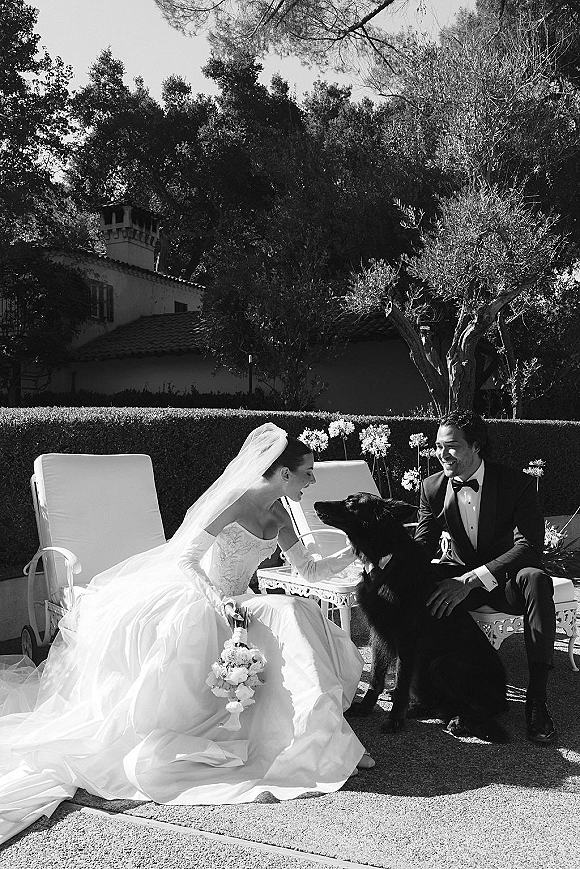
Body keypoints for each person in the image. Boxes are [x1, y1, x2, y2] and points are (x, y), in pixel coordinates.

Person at [0, 423, 373, 845]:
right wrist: (221, 603)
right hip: (206, 600)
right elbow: (187, 561)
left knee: (294, 612)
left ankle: (326, 738)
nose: (313, 480)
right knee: (286, 612)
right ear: (283, 474)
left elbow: (308, 570)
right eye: (307, 472)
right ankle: (318, 740)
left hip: (244, 604)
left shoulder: (282, 513)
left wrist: (356, 548)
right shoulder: (233, 503)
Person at [414, 409, 557, 745]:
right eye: (437, 446)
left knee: (537, 579)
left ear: (475, 445)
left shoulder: (515, 483)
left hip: (506, 581)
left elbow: (529, 548)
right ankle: (428, 688)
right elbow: (421, 547)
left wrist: (473, 579)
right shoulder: (432, 488)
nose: (442, 454)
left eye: (451, 446)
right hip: (462, 581)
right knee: (418, 581)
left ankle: (536, 701)